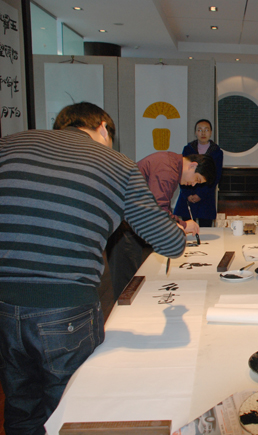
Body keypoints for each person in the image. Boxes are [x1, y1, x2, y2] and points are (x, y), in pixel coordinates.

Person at [0, 102, 187, 435]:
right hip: (64, 306)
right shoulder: (117, 164)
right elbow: (170, 244)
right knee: (72, 410)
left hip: (3, 304)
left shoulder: (9, 145)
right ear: (102, 127)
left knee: (20, 405)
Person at [106, 151, 216, 300]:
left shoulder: (170, 163)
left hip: (130, 222)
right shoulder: (167, 168)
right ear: (193, 165)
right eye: (196, 179)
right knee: (127, 286)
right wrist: (182, 224)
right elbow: (159, 209)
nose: (193, 184)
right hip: (123, 227)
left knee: (131, 279)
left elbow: (160, 207)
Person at [173, 119, 224, 227]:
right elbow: (182, 171)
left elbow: (216, 176)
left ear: (211, 132)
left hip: (206, 195)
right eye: (200, 130)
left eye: (206, 130)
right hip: (188, 193)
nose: (203, 133)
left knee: (206, 228)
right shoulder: (188, 149)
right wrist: (187, 194)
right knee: (186, 227)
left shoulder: (217, 152)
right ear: (195, 133)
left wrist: (200, 194)